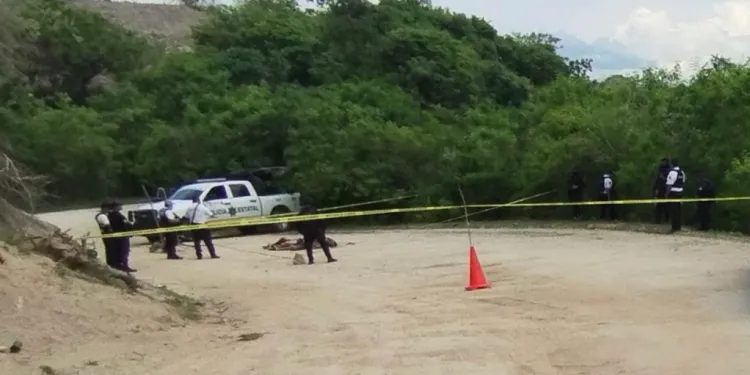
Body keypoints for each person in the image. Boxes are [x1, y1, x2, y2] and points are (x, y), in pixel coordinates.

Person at [107, 201, 136, 272]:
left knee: (119, 252)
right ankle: (125, 266)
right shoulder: (118, 215)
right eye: (120, 205)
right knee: (124, 251)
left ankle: (120, 266)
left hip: (116, 236)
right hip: (122, 236)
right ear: (116, 206)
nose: (121, 206)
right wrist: (131, 229)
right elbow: (125, 224)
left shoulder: (110, 215)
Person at [665, 158, 686, 233]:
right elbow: (683, 182)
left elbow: (669, 185)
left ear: (672, 164)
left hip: (673, 193)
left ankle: (674, 227)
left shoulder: (672, 172)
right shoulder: (682, 172)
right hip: (680, 192)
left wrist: (667, 194)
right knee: (678, 210)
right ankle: (678, 226)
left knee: (674, 211)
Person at [95, 201, 117, 268]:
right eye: (108, 208)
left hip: (105, 235)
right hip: (108, 235)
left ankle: (112, 264)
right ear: (104, 208)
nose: (109, 210)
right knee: (111, 250)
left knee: (110, 250)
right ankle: (112, 264)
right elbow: (108, 226)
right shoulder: (102, 216)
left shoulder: (101, 215)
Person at [653, 157, 671, 223]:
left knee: (664, 206)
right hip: (662, 189)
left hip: (665, 189)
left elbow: (660, 180)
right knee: (660, 205)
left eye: (663, 162)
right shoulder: (661, 170)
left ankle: (664, 219)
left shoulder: (668, 171)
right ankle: (659, 219)